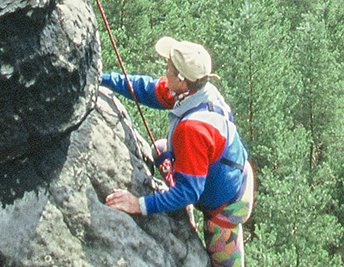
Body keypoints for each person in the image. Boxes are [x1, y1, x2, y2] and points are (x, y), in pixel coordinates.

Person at [102, 38, 255, 267]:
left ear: (183, 80)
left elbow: (189, 193)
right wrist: (102, 79)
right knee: (162, 149)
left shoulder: (193, 129)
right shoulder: (197, 91)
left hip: (227, 205)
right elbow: (145, 89)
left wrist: (139, 204)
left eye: (169, 68)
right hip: (227, 173)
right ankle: (187, 213)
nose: (165, 70)